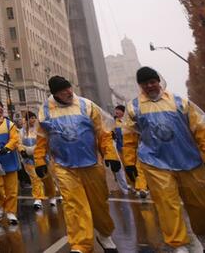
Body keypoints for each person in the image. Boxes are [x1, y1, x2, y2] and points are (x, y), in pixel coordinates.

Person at [121, 67, 205, 253]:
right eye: (145, 83)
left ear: (158, 81)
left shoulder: (180, 102)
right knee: (166, 204)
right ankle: (178, 244)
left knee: (200, 205)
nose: (150, 86)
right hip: (155, 164)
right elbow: (129, 137)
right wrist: (129, 163)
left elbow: (202, 130)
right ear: (140, 86)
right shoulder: (134, 107)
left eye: (152, 81)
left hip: (188, 161)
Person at [35, 75, 118, 253]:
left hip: (91, 164)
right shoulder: (45, 111)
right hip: (64, 166)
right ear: (55, 93)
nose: (69, 92)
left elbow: (103, 132)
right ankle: (80, 245)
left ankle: (104, 234)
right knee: (74, 204)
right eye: (63, 90)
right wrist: (39, 159)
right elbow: (42, 138)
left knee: (98, 204)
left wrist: (110, 154)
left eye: (69, 87)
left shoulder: (86, 105)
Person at [0, 100, 21, 226]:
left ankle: (11, 212)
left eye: (1, 106)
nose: (0, 109)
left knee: (11, 189)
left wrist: (8, 147)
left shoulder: (9, 124)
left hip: (9, 160)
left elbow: (15, 139)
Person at [19, 111, 56, 209]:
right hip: (29, 159)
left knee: (47, 178)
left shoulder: (40, 130)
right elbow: (18, 143)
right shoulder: (22, 132)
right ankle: (38, 198)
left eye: (34, 117)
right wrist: (23, 150)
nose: (33, 120)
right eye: (30, 118)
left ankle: (52, 196)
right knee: (35, 178)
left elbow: (46, 142)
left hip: (43, 158)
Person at [113, 104, 148, 198]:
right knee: (128, 169)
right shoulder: (114, 122)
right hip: (122, 149)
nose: (116, 112)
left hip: (136, 148)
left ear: (123, 112)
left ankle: (142, 188)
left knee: (138, 169)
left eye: (118, 110)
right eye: (115, 110)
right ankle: (134, 186)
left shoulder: (129, 122)